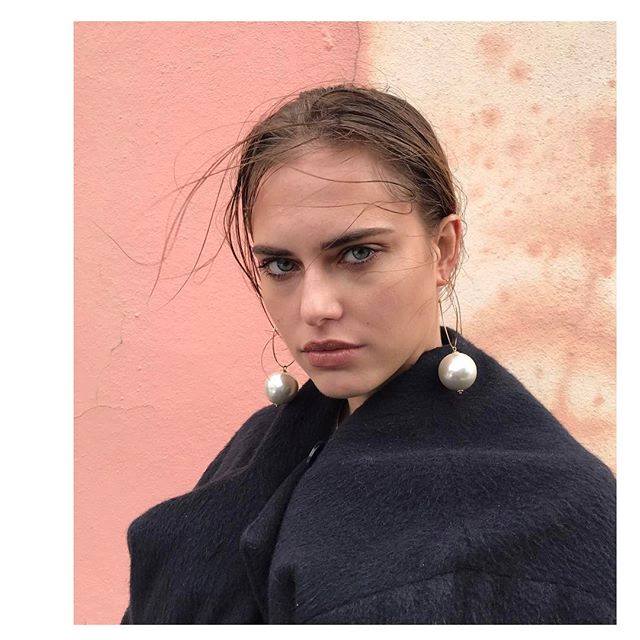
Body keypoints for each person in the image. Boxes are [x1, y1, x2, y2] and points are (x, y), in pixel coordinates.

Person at [120, 84, 616, 624]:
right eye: (282, 266)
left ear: (443, 250)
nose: (315, 307)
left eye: (357, 253)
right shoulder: (254, 451)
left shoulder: (558, 507)